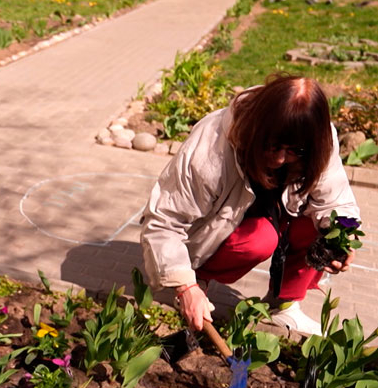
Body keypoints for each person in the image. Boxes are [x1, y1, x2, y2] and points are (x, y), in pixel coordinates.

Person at [141, 74, 360, 336]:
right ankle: (197, 281)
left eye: (294, 151)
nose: (280, 160)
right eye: (272, 146)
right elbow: (163, 221)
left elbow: (335, 200)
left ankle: (283, 305)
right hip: (216, 230)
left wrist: (341, 239)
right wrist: (185, 285)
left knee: (323, 229)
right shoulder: (211, 148)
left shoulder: (317, 140)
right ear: (257, 129)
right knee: (259, 240)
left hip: (276, 211)